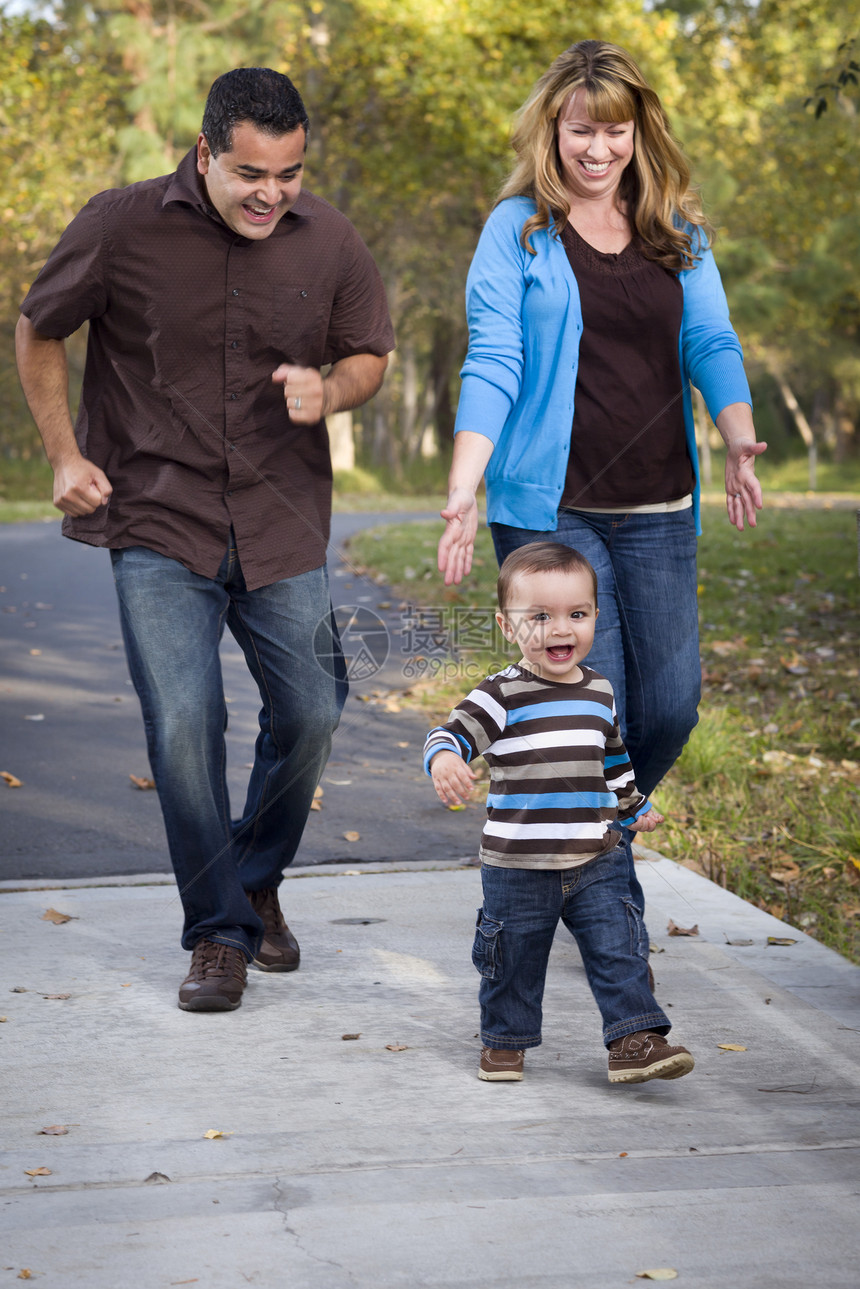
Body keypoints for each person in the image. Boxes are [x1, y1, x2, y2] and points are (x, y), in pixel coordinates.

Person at [15, 67, 395, 1013]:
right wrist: (62, 455)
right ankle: (218, 931)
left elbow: (370, 355)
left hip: (281, 517)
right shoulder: (120, 224)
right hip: (155, 516)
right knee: (185, 727)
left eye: (291, 174)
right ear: (204, 152)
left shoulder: (333, 237)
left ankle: (254, 878)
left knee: (313, 707)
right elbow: (36, 329)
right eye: (250, 173)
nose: (272, 193)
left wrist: (332, 390)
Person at [436, 39, 767, 921]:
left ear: (638, 132)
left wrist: (738, 437)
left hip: (658, 506)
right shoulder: (518, 229)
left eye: (613, 132)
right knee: (596, 716)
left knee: (671, 706)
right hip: (553, 513)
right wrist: (465, 485)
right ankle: (610, 931)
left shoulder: (676, 229)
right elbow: (495, 356)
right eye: (581, 130)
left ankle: (583, 835)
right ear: (552, 129)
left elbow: (711, 340)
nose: (597, 150)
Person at [424, 542, 694, 1084]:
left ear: (596, 616)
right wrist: (446, 758)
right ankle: (504, 1042)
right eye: (539, 617)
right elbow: (447, 732)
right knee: (513, 960)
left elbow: (612, 758)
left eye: (577, 614)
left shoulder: (599, 690)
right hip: (518, 865)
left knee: (620, 945)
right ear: (507, 625)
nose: (559, 630)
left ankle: (634, 1039)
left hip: (598, 855)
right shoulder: (502, 694)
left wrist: (632, 805)